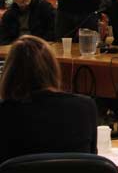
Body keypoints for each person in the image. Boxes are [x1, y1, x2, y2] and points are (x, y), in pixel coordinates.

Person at [0, 35, 97, 163]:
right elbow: (92, 160)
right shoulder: (85, 107)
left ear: (9, 73)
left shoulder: (5, 113)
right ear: (53, 69)